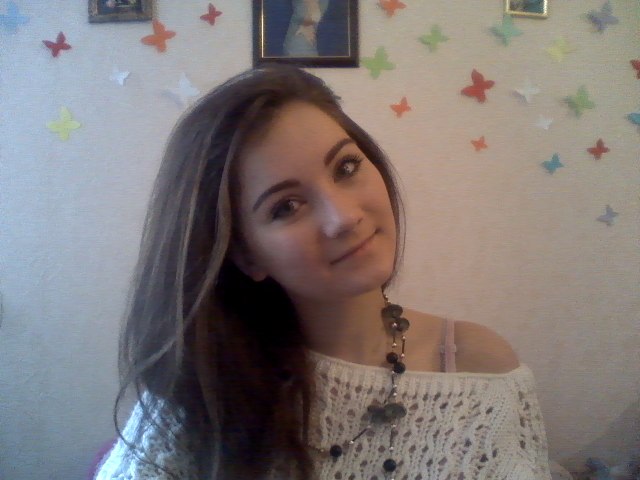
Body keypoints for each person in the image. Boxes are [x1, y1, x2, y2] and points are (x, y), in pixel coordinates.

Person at [94, 65, 551, 480]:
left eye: (346, 167)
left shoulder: (479, 370)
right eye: (286, 206)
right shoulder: (201, 395)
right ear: (246, 256)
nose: (344, 217)